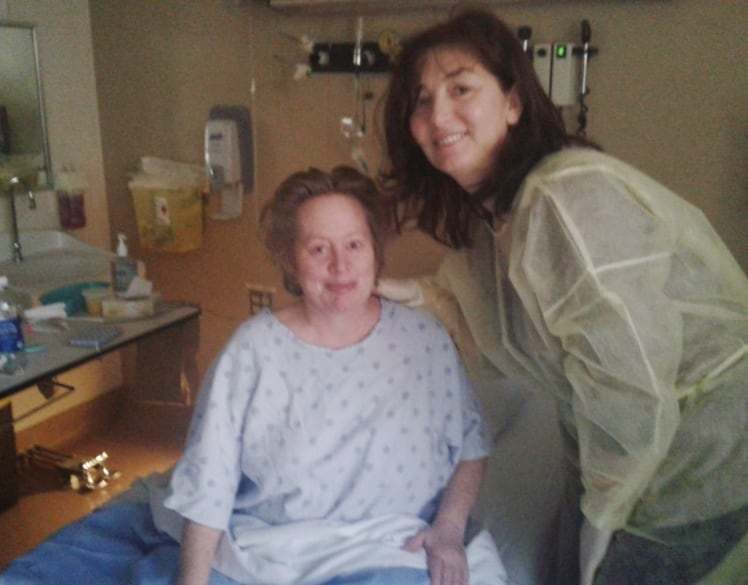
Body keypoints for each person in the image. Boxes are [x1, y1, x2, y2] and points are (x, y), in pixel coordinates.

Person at [375, 7, 748, 585]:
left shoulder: (565, 197)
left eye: (460, 88)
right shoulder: (499, 216)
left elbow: (631, 387)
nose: (437, 115)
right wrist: (408, 295)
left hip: (701, 462)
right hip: (632, 462)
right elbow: (505, 319)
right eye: (420, 100)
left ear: (514, 102)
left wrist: (603, 518)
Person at [156, 166, 507, 585]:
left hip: (395, 548)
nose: (341, 266)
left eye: (354, 245)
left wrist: (449, 532)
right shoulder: (253, 351)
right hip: (273, 553)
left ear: (375, 250)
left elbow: (471, 444)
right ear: (290, 259)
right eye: (319, 249)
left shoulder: (424, 341)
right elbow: (208, 482)